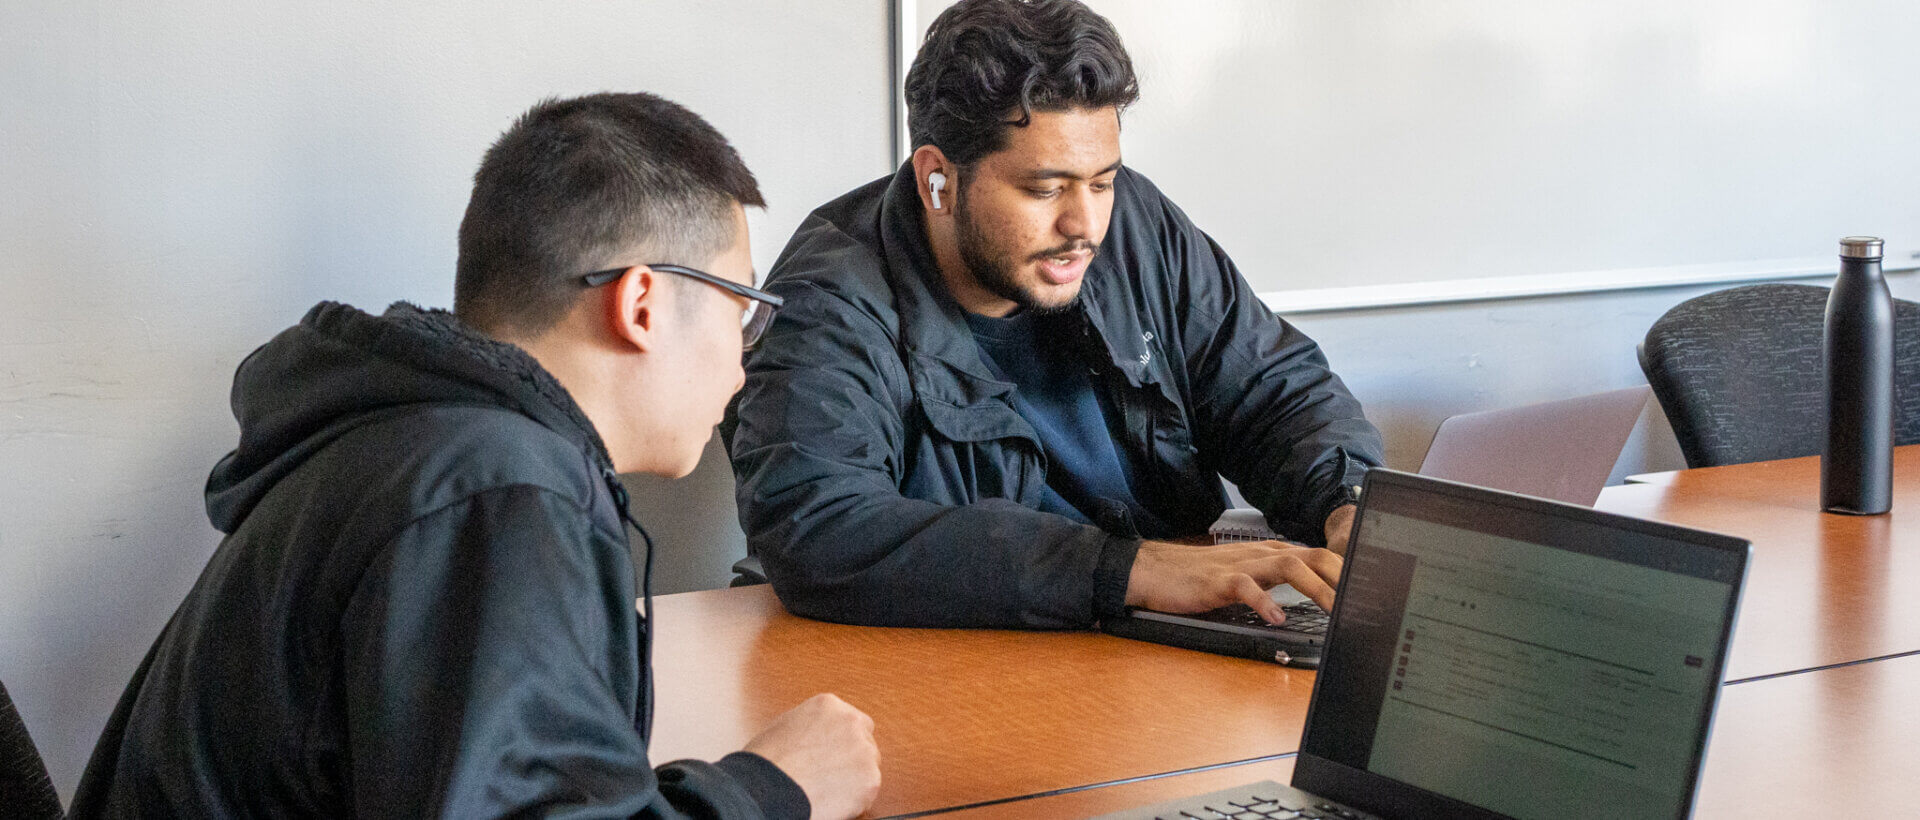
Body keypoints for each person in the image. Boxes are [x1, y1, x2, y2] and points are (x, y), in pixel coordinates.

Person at [70, 93, 880, 819]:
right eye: (741, 309)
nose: (744, 364)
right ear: (641, 303)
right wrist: (771, 789)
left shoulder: (427, 447)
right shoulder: (500, 492)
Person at [726, 0, 1385, 629]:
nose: (1085, 225)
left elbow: (1273, 389)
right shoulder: (827, 301)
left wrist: (1347, 504)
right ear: (938, 180)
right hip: (969, 666)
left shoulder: (1135, 225)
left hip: (1156, 644)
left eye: (1101, 182)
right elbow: (819, 526)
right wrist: (1124, 571)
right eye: (1044, 189)